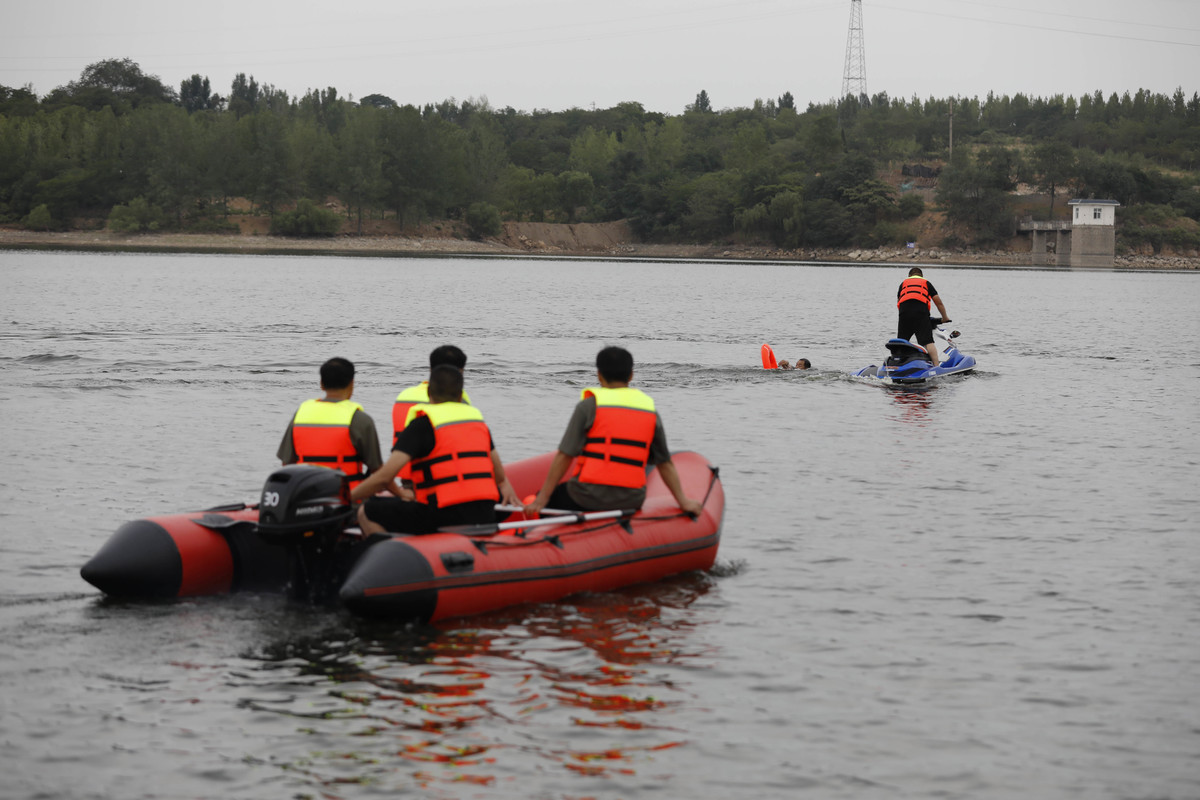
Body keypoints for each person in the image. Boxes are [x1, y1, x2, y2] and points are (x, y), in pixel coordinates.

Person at [522, 346, 704, 519]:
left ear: (599, 375)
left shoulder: (588, 407)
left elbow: (565, 455)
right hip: (631, 500)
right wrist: (683, 501)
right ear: (631, 375)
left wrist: (542, 499)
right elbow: (665, 463)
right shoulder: (650, 411)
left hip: (586, 496)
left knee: (534, 500)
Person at [351, 364, 519, 534]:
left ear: (429, 393)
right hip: (485, 513)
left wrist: (348, 498)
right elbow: (499, 475)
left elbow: (384, 477)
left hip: (441, 514)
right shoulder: (478, 424)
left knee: (368, 510)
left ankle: (391, 556)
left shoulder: (421, 425)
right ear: (461, 395)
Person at [277, 357, 383, 492]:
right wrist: (400, 493)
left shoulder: (300, 415)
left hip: (306, 495)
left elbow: (287, 464)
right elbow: (377, 470)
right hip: (347, 500)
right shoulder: (360, 419)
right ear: (352, 383)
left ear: (321, 384)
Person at [897, 267, 950, 366]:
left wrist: (904, 316)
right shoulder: (926, 283)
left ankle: (898, 364)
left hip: (904, 313)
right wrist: (945, 317)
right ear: (921, 276)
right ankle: (936, 366)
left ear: (909, 276)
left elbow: (900, 301)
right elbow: (939, 303)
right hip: (920, 312)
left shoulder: (903, 283)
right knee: (927, 341)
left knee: (902, 341)